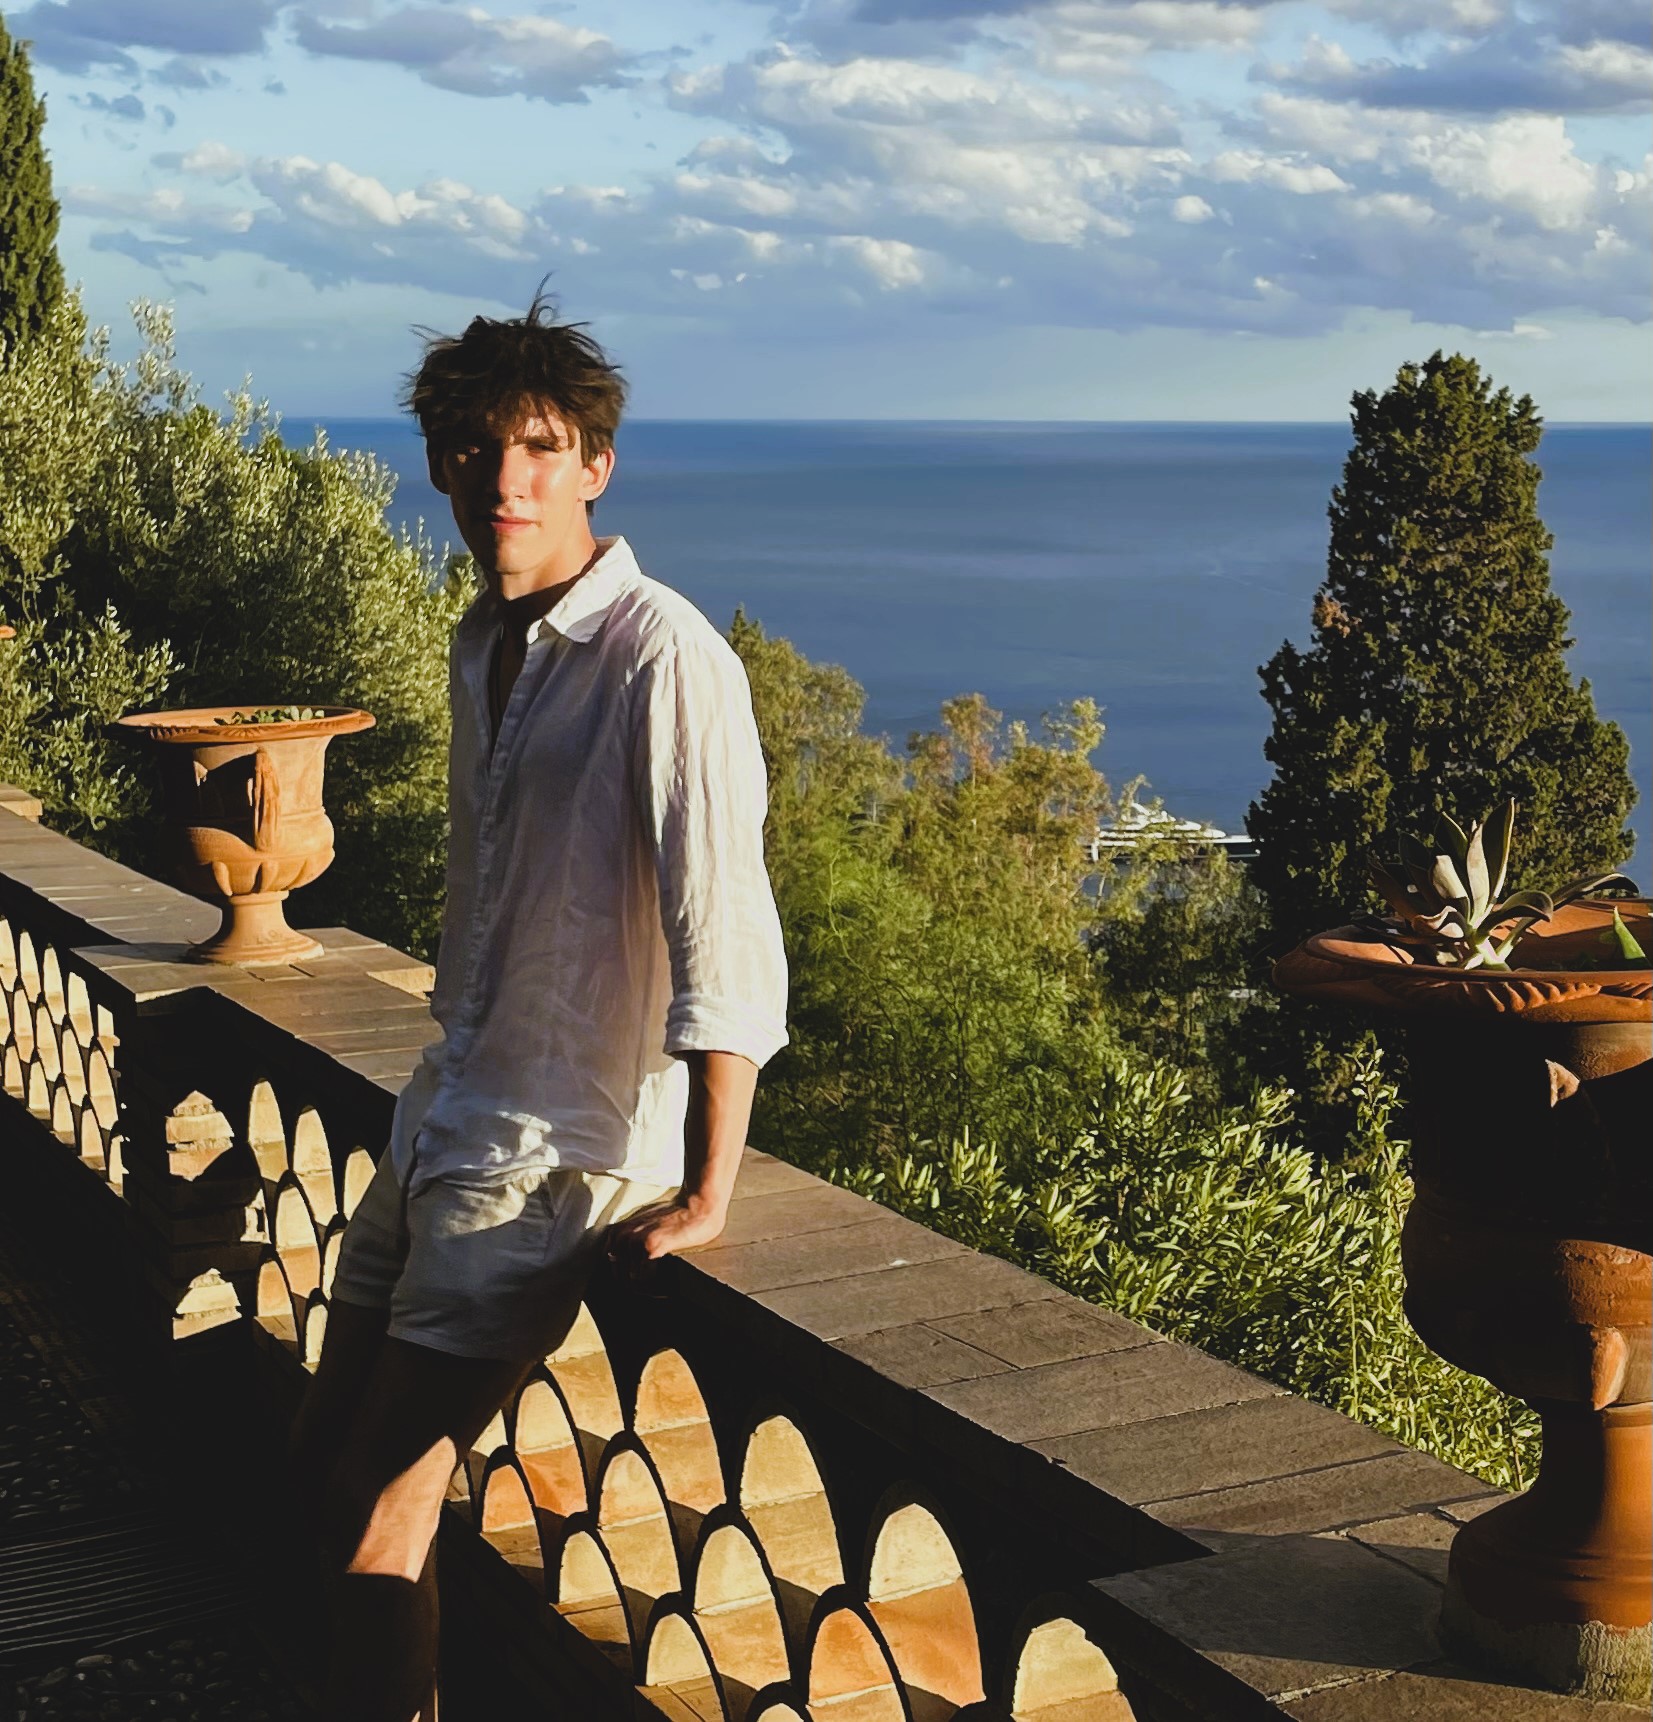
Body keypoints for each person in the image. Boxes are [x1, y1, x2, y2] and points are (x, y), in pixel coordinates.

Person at [287, 293, 788, 1722]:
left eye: (538, 446)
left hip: (554, 1153)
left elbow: (722, 922)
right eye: (473, 448)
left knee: (389, 1508)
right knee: (321, 1459)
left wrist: (707, 1184)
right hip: (446, 1109)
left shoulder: (660, 656)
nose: (503, 481)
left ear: (594, 466)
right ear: (441, 464)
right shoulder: (484, 644)